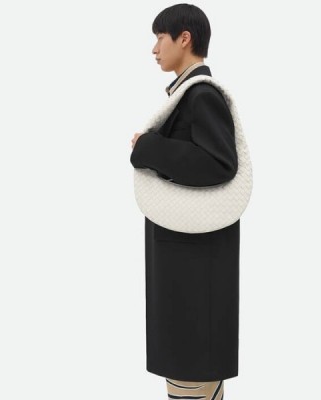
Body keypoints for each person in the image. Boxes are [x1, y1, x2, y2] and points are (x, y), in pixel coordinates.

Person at [130, 4, 239, 399]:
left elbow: (219, 164)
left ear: (184, 38)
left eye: (160, 37)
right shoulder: (187, 95)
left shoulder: (201, 95)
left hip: (194, 266)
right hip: (189, 259)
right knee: (191, 377)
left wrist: (149, 147)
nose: (154, 48)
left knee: (191, 375)